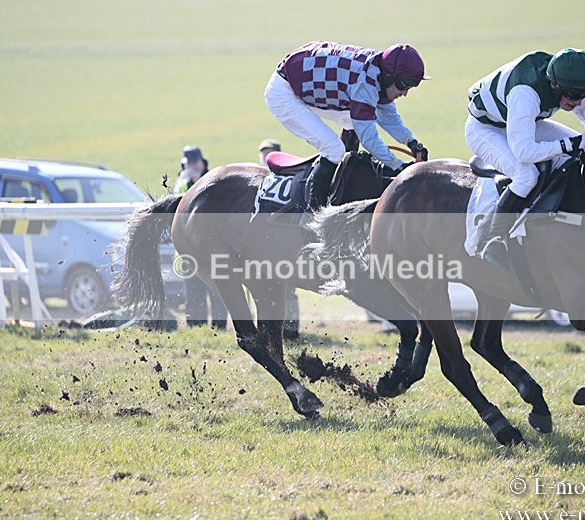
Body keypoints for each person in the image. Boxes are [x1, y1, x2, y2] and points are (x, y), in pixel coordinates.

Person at [466, 48, 585, 270]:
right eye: (574, 96)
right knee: (526, 175)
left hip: (521, 122)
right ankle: (493, 239)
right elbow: (524, 151)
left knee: (583, 151)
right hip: (486, 130)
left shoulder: (568, 81)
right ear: (555, 85)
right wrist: (568, 145)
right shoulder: (526, 94)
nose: (579, 102)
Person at [265, 41, 431, 210]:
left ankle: (344, 178)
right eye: (403, 85)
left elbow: (388, 118)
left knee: (356, 122)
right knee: (334, 149)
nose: (405, 93)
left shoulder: (378, 73)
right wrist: (397, 165)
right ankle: (313, 215)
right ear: (389, 76)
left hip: (307, 79)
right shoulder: (365, 83)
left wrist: (411, 142)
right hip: (284, 93)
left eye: (411, 86)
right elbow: (369, 138)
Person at [173, 144, 228, 329]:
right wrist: (186, 183)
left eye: (195, 163)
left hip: (213, 247)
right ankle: (196, 327)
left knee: (218, 290)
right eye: (190, 163)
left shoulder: (214, 180)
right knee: (193, 291)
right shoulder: (180, 183)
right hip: (189, 249)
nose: (193, 167)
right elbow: (176, 205)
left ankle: (219, 327)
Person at [258, 139, 300, 339]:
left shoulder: (289, 178)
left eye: (269, 153)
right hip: (264, 243)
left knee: (288, 288)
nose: (264, 158)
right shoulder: (260, 180)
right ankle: (267, 329)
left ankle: (291, 329)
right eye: (262, 153)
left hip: (283, 241)